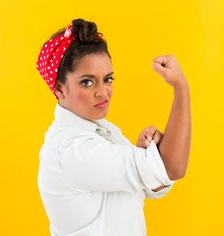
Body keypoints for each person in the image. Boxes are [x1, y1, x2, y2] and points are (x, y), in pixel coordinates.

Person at [36, 18, 191, 236]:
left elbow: (153, 185)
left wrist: (146, 154)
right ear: (60, 89)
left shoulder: (103, 129)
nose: (103, 92)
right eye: (87, 82)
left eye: (107, 79)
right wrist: (181, 88)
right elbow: (171, 169)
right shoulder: (71, 150)